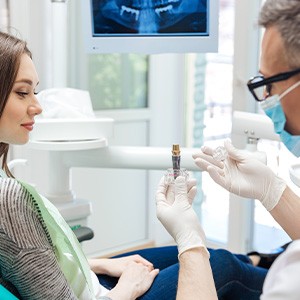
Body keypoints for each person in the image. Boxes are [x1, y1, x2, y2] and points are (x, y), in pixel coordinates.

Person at [0, 29, 257, 300]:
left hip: (89, 281)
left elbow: (36, 270)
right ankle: (281, 271)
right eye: (23, 92)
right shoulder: (9, 199)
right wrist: (127, 288)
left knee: (212, 253)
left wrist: (100, 263)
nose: (37, 106)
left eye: (35, 91)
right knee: (223, 266)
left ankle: (261, 259)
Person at [156, 0, 300, 299]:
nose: (267, 99)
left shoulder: (290, 281)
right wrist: (272, 191)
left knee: (222, 265)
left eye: (269, 84)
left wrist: (191, 244)